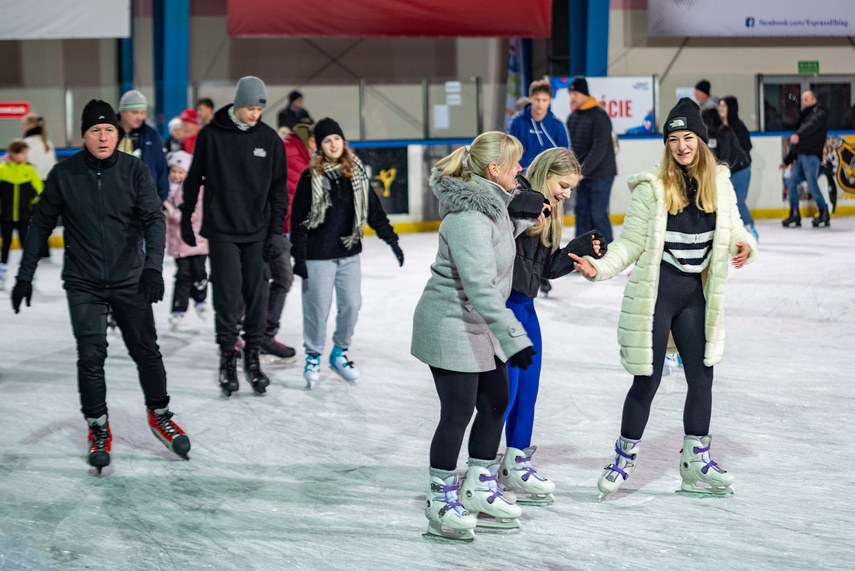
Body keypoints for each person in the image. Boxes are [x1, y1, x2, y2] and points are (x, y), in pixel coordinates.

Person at [569, 98, 757, 500]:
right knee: (647, 378)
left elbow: (736, 227)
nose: (682, 146)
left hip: (695, 295)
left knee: (702, 376)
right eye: (674, 139)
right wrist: (598, 268)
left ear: (701, 141)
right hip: (659, 294)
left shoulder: (719, 184)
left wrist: (744, 244)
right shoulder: (653, 188)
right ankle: (623, 459)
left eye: (689, 137)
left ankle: (695, 461)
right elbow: (631, 243)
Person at [9, 100, 190, 474]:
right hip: (84, 281)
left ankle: (159, 415)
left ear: (118, 134)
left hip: (130, 278)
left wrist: (152, 269)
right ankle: (97, 427)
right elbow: (40, 224)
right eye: (95, 130)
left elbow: (154, 222)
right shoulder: (64, 174)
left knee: (146, 351)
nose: (103, 136)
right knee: (91, 356)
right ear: (84, 135)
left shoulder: (135, 171)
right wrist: (24, 275)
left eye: (109, 130)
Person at [411, 131, 544, 541]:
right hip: (450, 323)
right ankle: (439, 499)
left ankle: (479, 486)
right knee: (459, 411)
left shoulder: (493, 209)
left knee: (496, 401)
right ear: (494, 170)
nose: (520, 169)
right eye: (515, 164)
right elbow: (481, 286)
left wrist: (522, 219)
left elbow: (498, 244)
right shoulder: (469, 218)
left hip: (477, 323)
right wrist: (515, 337)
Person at [500, 147, 605, 506]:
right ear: (546, 174)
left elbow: (543, 269)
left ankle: (516, 461)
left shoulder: (549, 211)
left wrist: (575, 250)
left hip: (527, 309)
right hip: (504, 308)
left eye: (572, 188)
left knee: (527, 393)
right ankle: (482, 467)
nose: (567, 194)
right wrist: (527, 208)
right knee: (506, 395)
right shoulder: (520, 198)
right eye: (563, 185)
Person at [181, 76, 289, 398]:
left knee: (257, 295)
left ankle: (252, 357)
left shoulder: (269, 140)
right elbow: (194, 177)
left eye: (260, 108)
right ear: (237, 105)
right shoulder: (211, 136)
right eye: (250, 108)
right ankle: (228, 356)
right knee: (227, 296)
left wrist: (275, 233)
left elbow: (278, 191)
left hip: (257, 231)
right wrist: (187, 215)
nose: (255, 114)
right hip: (222, 229)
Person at [290, 118, 403, 389]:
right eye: (327, 140)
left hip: (349, 253)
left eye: (336, 139)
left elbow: (374, 212)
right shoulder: (310, 178)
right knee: (317, 309)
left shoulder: (357, 175)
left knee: (351, 305)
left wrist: (392, 241)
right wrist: (299, 257)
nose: (333, 144)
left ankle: (339, 352)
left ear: (343, 142)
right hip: (318, 256)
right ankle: (313, 355)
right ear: (319, 145)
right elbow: (298, 220)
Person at [258, 124, 317, 364]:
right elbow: (290, 198)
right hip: (270, 230)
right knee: (277, 279)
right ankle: (258, 338)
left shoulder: (297, 153)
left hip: (274, 229)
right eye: (317, 141)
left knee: (270, 280)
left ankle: (256, 337)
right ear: (309, 139)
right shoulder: (292, 154)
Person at [566, 76, 618, 242]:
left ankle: (608, 251)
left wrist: (583, 171)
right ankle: (580, 251)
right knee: (581, 213)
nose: (572, 97)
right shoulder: (572, 117)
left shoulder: (599, 117)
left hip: (601, 174)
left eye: (575, 93)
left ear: (584, 94)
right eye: (571, 93)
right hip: (582, 175)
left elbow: (599, 148)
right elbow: (572, 148)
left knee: (597, 213)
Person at [163, 150, 208, 330]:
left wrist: (173, 215)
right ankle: (178, 308)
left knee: (199, 272)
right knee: (182, 276)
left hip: (197, 240)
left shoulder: (196, 188)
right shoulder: (166, 191)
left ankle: (200, 299)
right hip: (179, 242)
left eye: (179, 172)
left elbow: (197, 213)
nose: (175, 175)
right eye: (173, 171)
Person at [779, 90, 830, 228]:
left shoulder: (819, 114)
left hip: (812, 156)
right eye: (802, 99)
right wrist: (787, 161)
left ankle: (824, 212)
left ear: (814, 100)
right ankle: (795, 214)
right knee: (791, 182)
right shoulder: (803, 116)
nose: (803, 102)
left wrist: (799, 134)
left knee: (812, 185)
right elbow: (797, 140)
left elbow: (810, 127)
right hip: (801, 156)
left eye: (806, 99)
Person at [0, 139, 43, 289]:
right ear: (13, 153)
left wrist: (32, 205)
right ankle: (2, 270)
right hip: (6, 216)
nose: (25, 156)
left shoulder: (29, 170)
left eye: (25, 153)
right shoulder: (2, 169)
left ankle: (27, 270)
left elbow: (39, 190)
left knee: (26, 243)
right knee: (6, 243)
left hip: (24, 216)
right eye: (22, 153)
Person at [117, 90, 169, 202]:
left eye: (142, 113)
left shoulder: (152, 135)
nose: (139, 117)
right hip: (115, 198)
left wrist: (160, 203)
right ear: (122, 112)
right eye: (135, 112)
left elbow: (161, 169)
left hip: (144, 200)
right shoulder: (108, 133)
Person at [508, 80, 569, 169]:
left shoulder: (558, 125)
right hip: (522, 175)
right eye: (537, 99)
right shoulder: (516, 122)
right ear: (530, 98)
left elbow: (564, 156)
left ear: (550, 100)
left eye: (544, 100)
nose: (540, 104)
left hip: (548, 176)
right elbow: (509, 152)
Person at [718, 96, 757, 239]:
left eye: (724, 106)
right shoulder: (719, 127)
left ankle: (750, 228)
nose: (721, 108)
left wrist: (737, 157)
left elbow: (747, 146)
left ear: (731, 108)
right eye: (720, 105)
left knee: (739, 202)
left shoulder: (738, 126)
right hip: (727, 171)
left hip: (741, 170)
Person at [21, 113, 57, 181]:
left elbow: (23, 162)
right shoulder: (48, 143)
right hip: (49, 180)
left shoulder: (27, 143)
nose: (22, 127)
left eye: (24, 124)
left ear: (31, 125)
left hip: (34, 181)